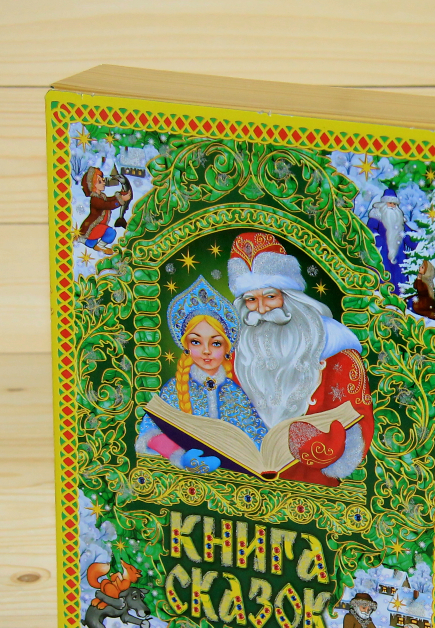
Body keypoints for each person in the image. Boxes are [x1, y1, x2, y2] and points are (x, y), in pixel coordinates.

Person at [227, 231, 374, 486]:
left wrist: (320, 444)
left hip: (311, 487)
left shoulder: (337, 354)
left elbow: (357, 424)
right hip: (243, 481)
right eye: (251, 300)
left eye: (270, 297)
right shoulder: (240, 355)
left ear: (290, 297)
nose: (261, 310)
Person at [136, 276, 267, 472]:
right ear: (186, 346)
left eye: (216, 343)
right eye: (196, 342)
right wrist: (180, 456)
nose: (206, 351)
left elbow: (256, 437)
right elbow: (150, 432)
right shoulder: (174, 389)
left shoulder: (235, 393)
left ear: (227, 349)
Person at [78, 166, 132, 255]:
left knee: (90, 243)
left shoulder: (101, 196)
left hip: (100, 225)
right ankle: (100, 246)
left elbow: (110, 200)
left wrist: (120, 195)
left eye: (103, 180)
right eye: (100, 181)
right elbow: (107, 205)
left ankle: (82, 239)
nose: (103, 182)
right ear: (92, 185)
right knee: (111, 232)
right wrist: (120, 200)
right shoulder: (95, 199)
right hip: (95, 226)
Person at [368, 188, 408, 292]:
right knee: (384, 274)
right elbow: (370, 230)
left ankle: (401, 297)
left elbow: (408, 234)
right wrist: (377, 238)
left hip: (399, 255)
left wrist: (417, 242)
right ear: (384, 203)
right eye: (390, 203)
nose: (392, 206)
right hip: (383, 253)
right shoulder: (377, 216)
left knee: (399, 278)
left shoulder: (400, 219)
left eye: (394, 204)